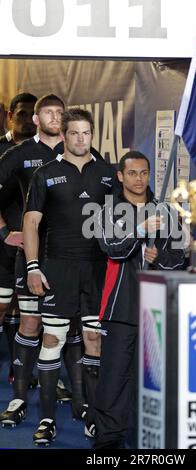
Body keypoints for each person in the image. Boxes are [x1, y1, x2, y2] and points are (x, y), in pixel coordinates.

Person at [22, 107, 116, 445]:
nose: (80, 139)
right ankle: (46, 418)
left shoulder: (108, 173)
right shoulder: (45, 174)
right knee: (52, 340)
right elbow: (31, 223)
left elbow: (122, 220)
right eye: (74, 133)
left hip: (98, 269)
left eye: (86, 133)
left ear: (93, 135)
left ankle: (93, 415)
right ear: (64, 135)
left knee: (94, 340)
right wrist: (33, 267)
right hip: (58, 268)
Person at [93, 150, 187, 449]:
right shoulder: (107, 210)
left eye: (144, 173)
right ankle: (108, 438)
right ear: (120, 176)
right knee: (114, 377)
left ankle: (147, 437)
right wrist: (138, 231)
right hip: (120, 306)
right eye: (132, 173)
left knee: (152, 377)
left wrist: (160, 257)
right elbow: (112, 248)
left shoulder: (166, 211)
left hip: (156, 307)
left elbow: (179, 258)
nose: (138, 179)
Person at [0, 94, 75, 426]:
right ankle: (18, 397)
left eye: (60, 112)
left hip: (68, 256)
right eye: (48, 112)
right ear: (36, 119)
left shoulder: (78, 150)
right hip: (30, 253)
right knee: (29, 323)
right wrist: (4, 232)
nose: (55, 117)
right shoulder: (20, 154)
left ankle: (56, 384)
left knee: (63, 326)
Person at [0, 92, 37, 383]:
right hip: (2, 245)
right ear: (11, 116)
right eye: (21, 114)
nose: (27, 120)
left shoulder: (49, 152)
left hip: (34, 247)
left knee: (30, 314)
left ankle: (20, 369)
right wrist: (3, 232)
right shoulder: (2, 151)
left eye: (31, 114)